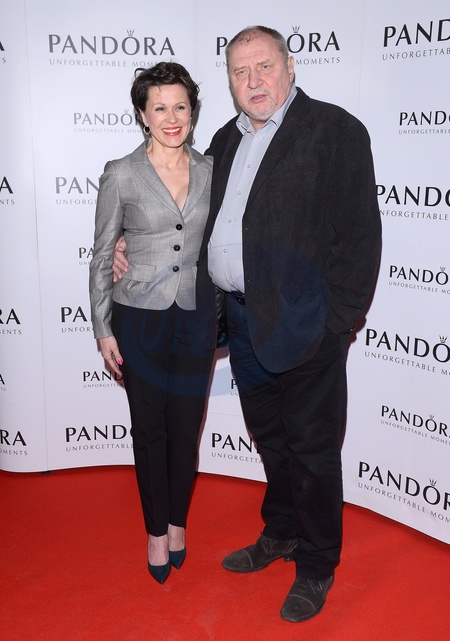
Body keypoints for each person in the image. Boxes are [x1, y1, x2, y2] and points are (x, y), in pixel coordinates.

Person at [114, 25, 382, 622]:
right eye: (240, 71)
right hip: (240, 322)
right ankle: (280, 532)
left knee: (312, 450)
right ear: (230, 82)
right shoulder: (224, 141)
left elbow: (360, 238)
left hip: (307, 326)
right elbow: (190, 223)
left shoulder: (334, 130)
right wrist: (131, 245)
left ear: (290, 66)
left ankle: (316, 563)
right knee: (272, 440)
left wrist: (337, 324)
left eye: (264, 66)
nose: (254, 81)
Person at [89, 62, 216, 585]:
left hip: (196, 314)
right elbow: (103, 253)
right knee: (149, 429)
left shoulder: (212, 169)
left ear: (193, 111)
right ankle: (155, 532)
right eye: (159, 107)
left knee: (186, 428)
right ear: (143, 114)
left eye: (180, 106)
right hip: (137, 317)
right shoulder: (121, 172)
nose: (171, 117)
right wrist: (102, 327)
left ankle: (178, 521)